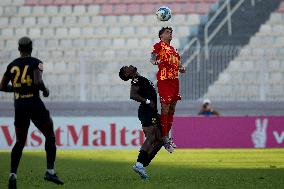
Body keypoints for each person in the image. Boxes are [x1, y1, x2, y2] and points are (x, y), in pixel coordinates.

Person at [0, 37, 64, 189]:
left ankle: (13, 175)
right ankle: (50, 171)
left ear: (18, 48)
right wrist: (45, 90)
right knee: (49, 134)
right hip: (34, 104)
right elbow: (37, 81)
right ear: (31, 48)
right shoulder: (37, 62)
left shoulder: (12, 65)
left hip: (19, 105)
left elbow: (2, 86)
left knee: (19, 142)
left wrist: (17, 89)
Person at [119, 65, 164, 180]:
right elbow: (132, 95)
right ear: (127, 74)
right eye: (126, 68)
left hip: (151, 112)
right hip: (146, 111)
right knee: (151, 137)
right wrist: (148, 101)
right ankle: (139, 164)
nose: (128, 66)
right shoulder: (136, 79)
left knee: (159, 141)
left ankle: (141, 165)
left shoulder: (141, 78)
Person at [150, 27, 186, 152]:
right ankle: (164, 138)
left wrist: (182, 68)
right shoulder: (158, 46)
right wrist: (157, 62)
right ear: (161, 36)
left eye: (171, 32)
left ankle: (167, 137)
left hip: (175, 81)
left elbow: (179, 63)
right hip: (164, 80)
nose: (170, 34)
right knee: (165, 108)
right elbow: (152, 59)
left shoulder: (174, 50)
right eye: (167, 32)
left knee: (172, 109)